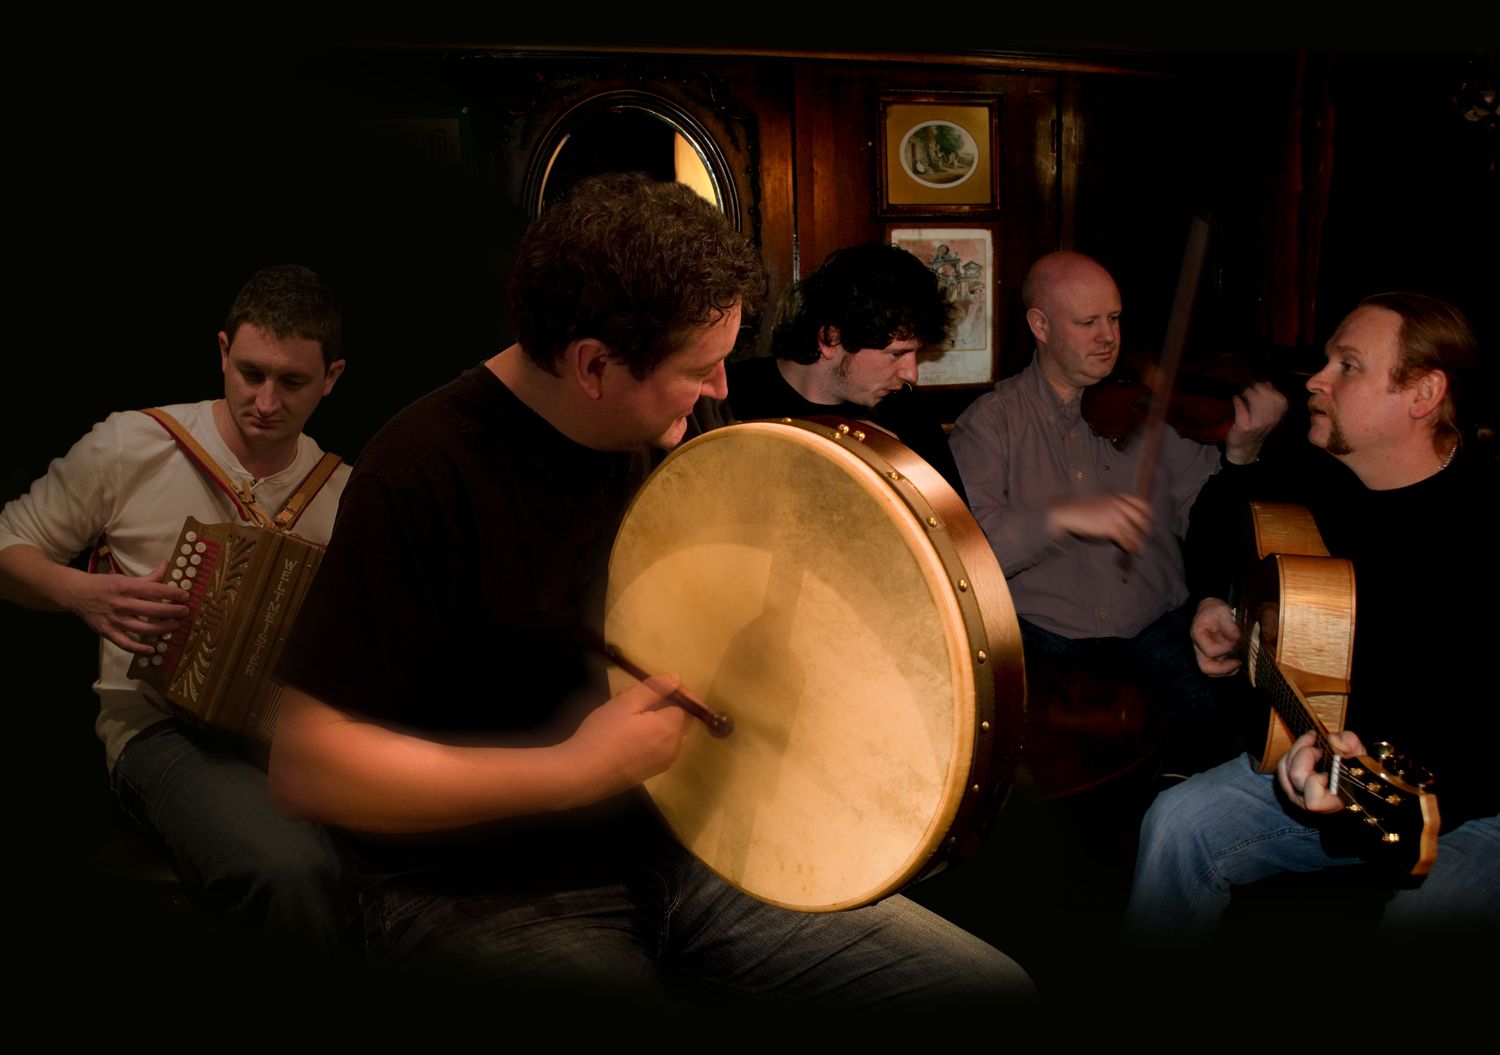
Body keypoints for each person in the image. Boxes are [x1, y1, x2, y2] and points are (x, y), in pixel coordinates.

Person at [267, 173, 1034, 1012]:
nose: (722, 392)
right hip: (480, 887)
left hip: (681, 850)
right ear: (593, 365)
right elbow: (307, 765)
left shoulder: (684, 429)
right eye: (699, 369)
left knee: (990, 991)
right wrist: (567, 771)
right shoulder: (421, 471)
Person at [1125, 292, 1499, 942]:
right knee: (1177, 822)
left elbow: (1481, 745)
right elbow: (1222, 524)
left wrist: (1352, 783)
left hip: (1468, 805)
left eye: (1347, 365)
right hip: (1324, 763)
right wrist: (1218, 600)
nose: (1316, 380)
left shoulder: (1484, 527)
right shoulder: (1317, 469)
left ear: (1423, 394)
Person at [0, 264, 351, 952]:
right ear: (222, 351)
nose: (266, 401)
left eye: (293, 382)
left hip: (284, 736)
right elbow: (8, 543)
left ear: (332, 376)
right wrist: (81, 593)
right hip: (158, 732)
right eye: (250, 372)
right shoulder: (134, 444)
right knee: (289, 869)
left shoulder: (342, 494)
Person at [949, 250, 1286, 774]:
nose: (1108, 337)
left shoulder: (1153, 412)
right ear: (1039, 325)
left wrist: (1241, 456)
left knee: (1235, 744)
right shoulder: (990, 425)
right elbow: (969, 557)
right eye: (1087, 323)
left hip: (1159, 629)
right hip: (1042, 641)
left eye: (1114, 318)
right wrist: (1060, 517)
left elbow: (1211, 523)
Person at [725, 242, 965, 496]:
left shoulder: (909, 413)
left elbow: (958, 531)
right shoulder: (729, 395)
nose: (911, 374)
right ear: (832, 339)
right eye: (896, 354)